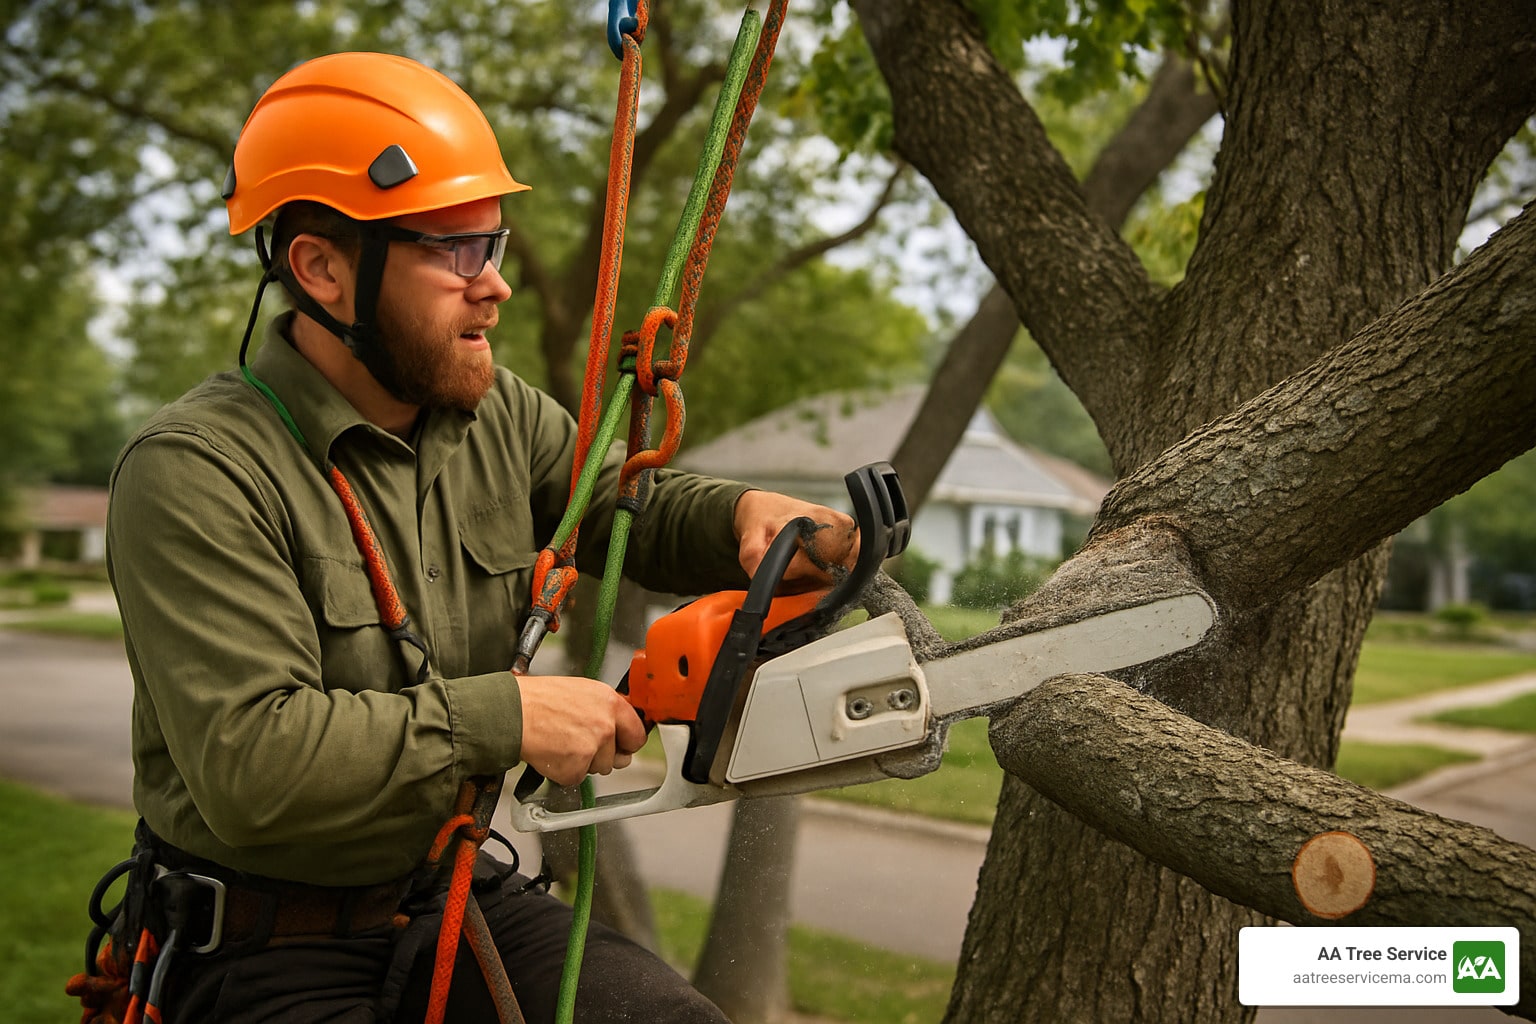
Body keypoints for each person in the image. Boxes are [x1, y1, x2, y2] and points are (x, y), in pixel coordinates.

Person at [84, 51, 856, 1023]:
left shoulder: (499, 416)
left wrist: (745, 516)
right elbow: (252, 764)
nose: (494, 285)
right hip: (261, 943)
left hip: (448, 888)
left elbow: (626, 509)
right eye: (455, 251)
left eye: (493, 243)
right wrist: (509, 715)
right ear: (322, 269)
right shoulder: (196, 471)